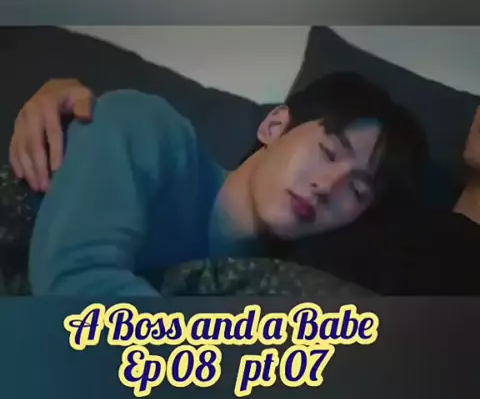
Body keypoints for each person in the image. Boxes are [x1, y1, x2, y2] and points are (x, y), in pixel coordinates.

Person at [10, 73, 427, 296]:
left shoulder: (275, 284)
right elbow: (74, 282)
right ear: (275, 126)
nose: (327, 186)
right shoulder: (150, 129)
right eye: (329, 152)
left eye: (357, 190)